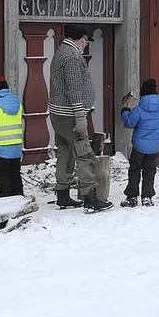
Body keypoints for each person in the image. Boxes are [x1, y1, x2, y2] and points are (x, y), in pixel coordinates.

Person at [48, 23, 112, 212]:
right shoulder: (72, 57)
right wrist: (80, 116)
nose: (86, 44)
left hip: (59, 113)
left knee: (65, 153)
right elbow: (74, 88)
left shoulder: (61, 52)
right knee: (84, 154)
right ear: (79, 38)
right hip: (70, 115)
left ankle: (63, 195)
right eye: (85, 40)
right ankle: (90, 198)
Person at [119, 78, 159, 207]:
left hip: (139, 146)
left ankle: (132, 197)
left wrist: (125, 112)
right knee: (149, 170)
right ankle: (147, 197)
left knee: (135, 170)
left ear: (143, 94)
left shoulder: (139, 110)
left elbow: (130, 122)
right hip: (154, 146)